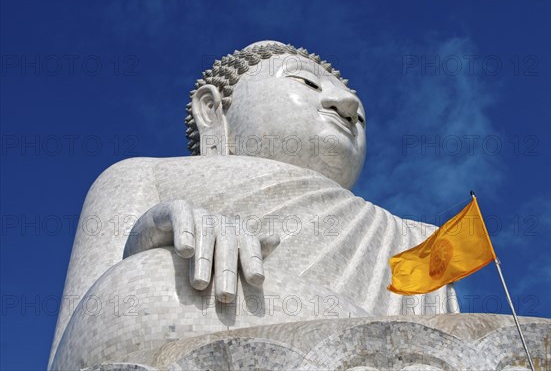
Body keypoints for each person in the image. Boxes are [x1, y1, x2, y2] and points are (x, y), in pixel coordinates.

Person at [49, 41, 459, 370]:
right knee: (147, 285)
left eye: (362, 116)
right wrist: (147, 239)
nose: (347, 107)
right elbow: (75, 345)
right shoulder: (142, 174)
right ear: (211, 110)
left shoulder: (415, 238)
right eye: (308, 85)